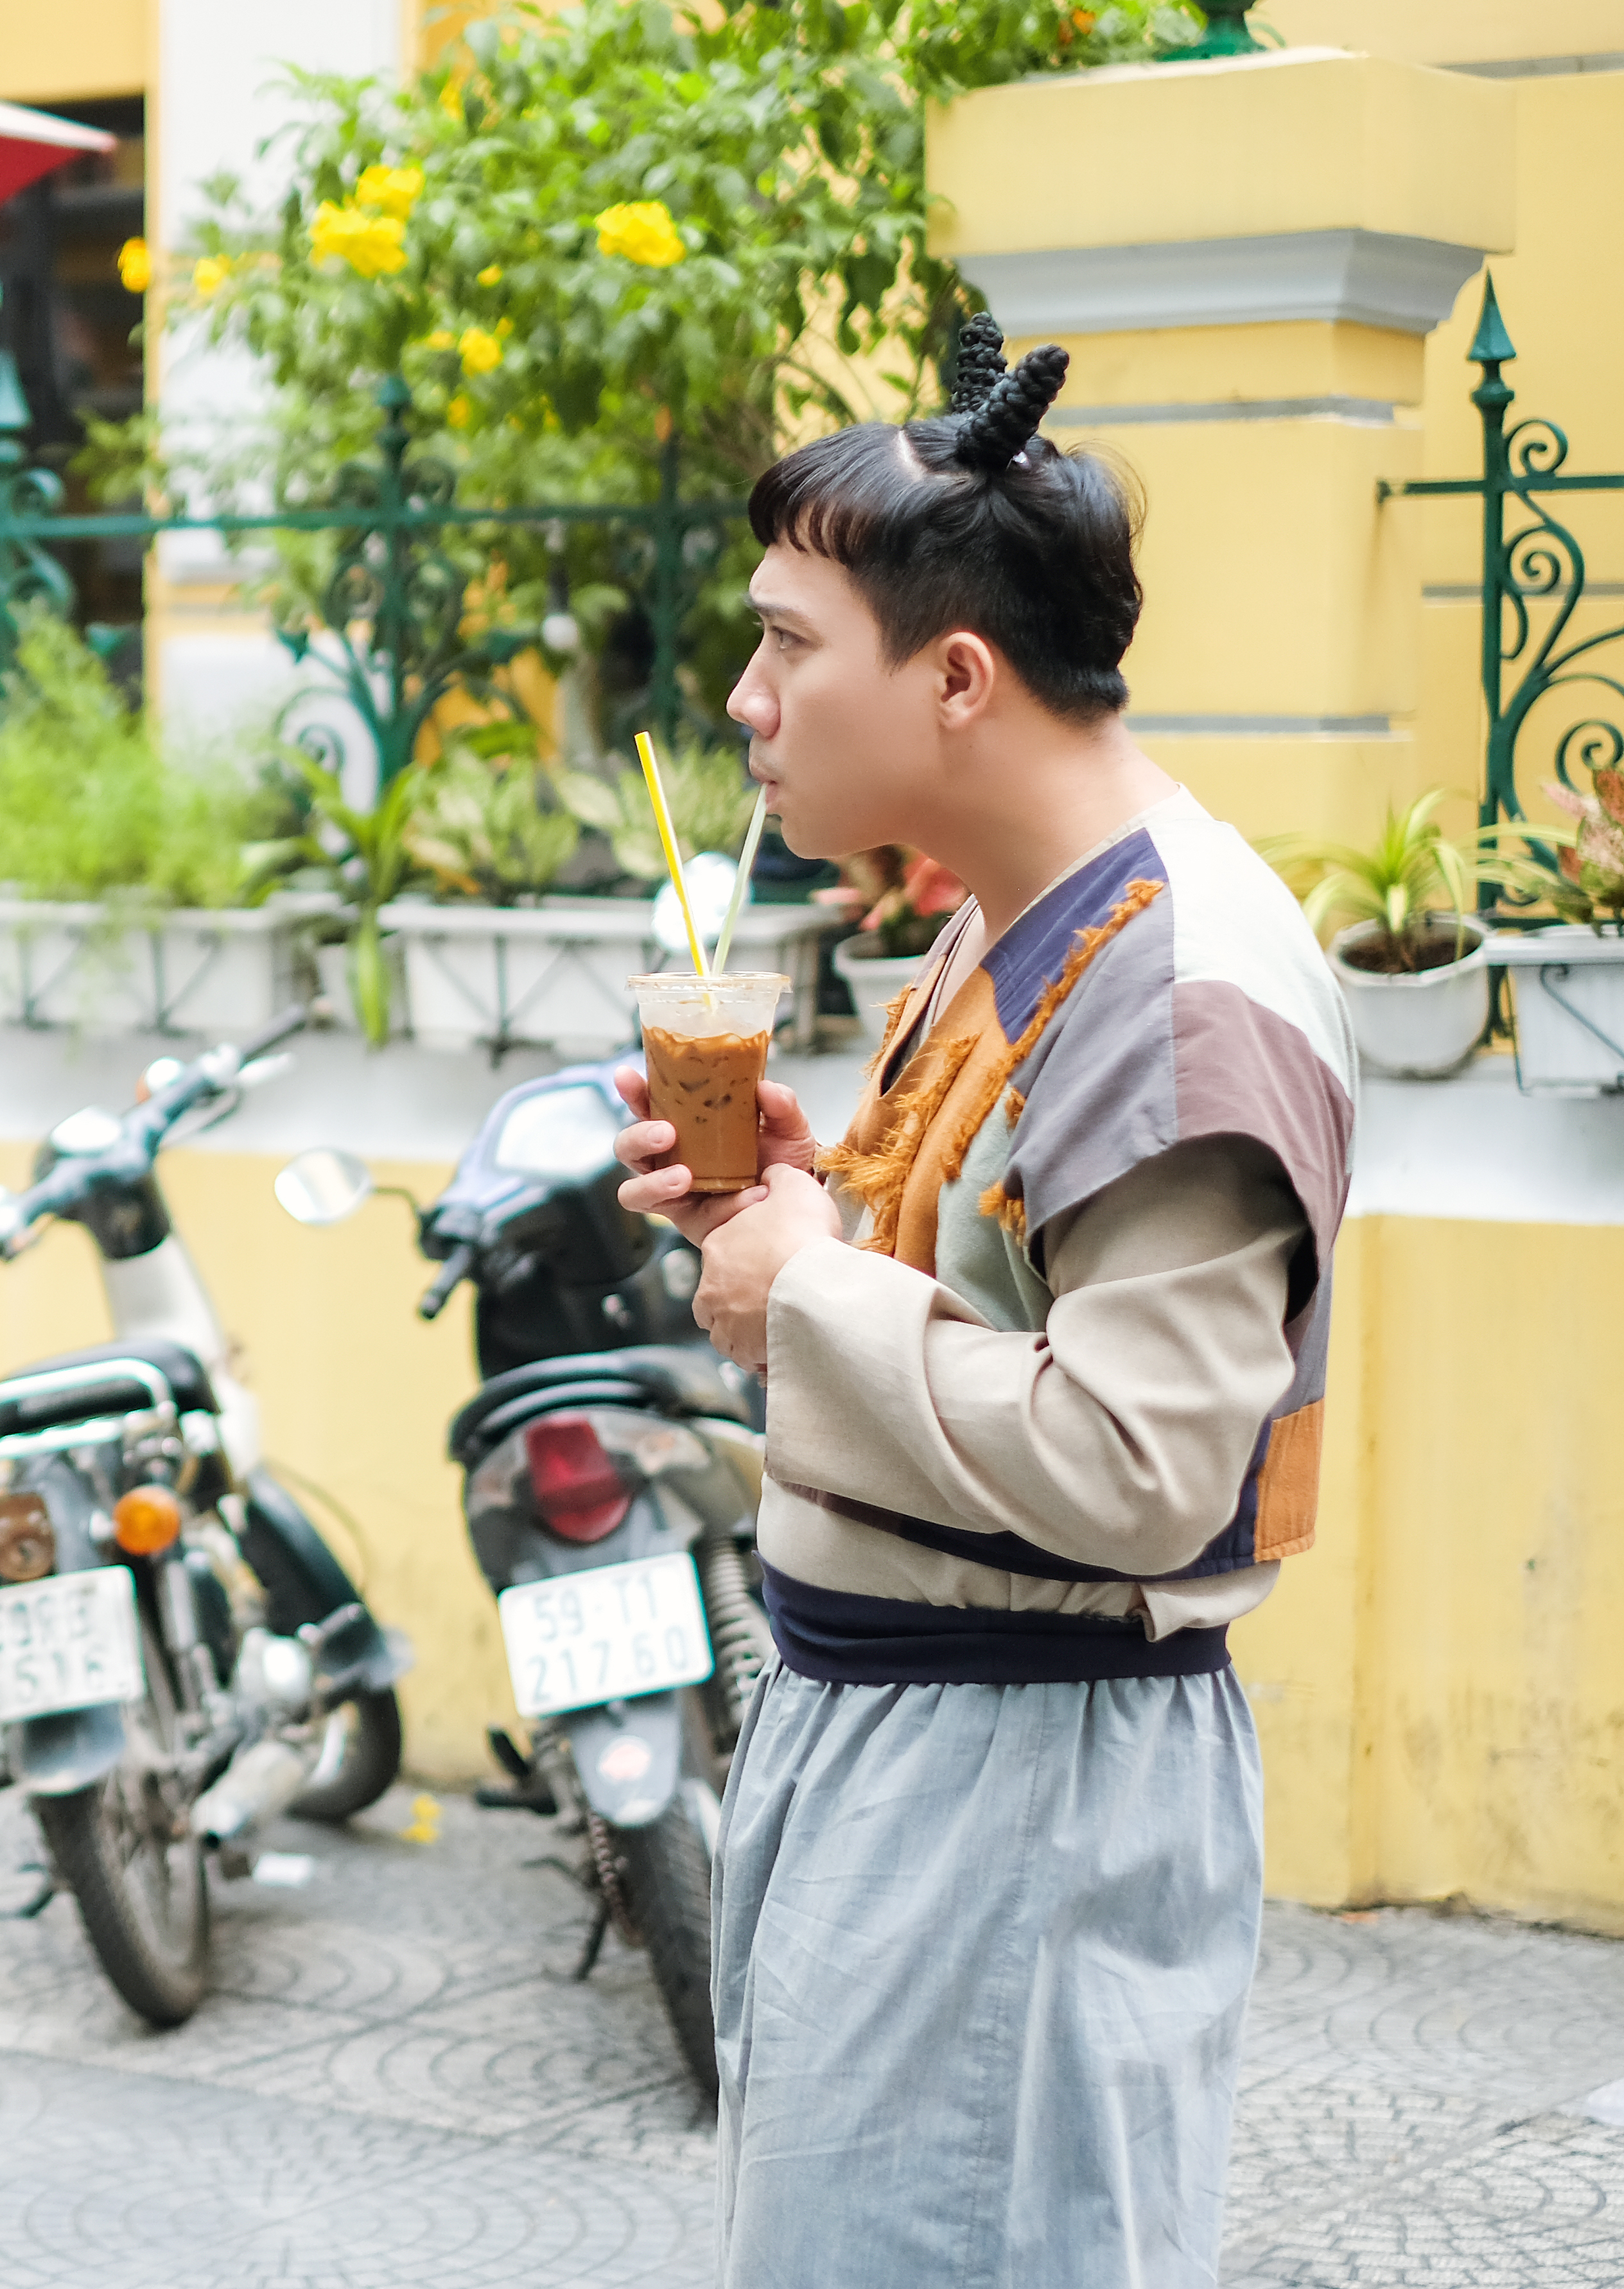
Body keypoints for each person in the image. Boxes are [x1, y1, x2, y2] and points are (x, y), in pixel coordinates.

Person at [616, 315, 1356, 2287]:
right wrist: (783, 1204)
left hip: (1016, 1776)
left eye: (786, 642)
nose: (743, 695)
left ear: (953, 675)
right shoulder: (1022, 915)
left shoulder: (1176, 987)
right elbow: (978, 1273)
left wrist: (803, 1296)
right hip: (904, 1736)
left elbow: (1139, 1465)